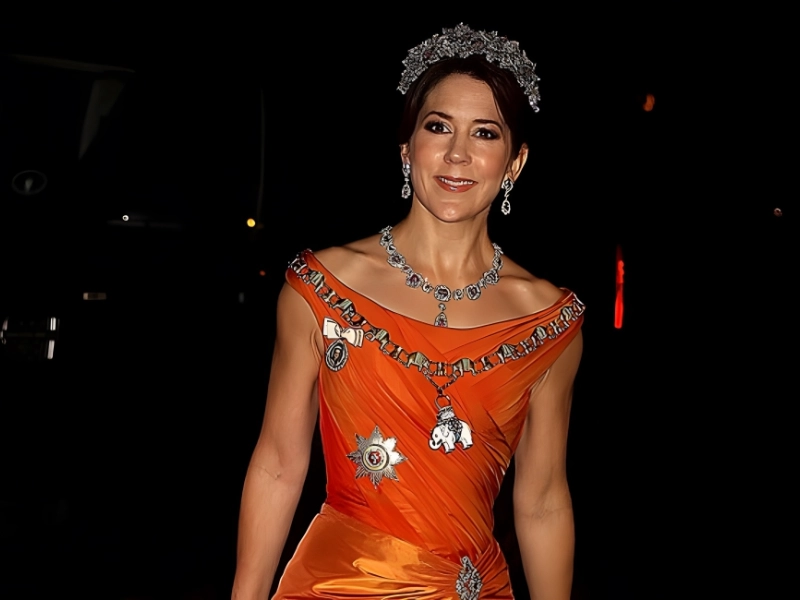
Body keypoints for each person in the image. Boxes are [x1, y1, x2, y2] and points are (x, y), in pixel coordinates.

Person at [232, 24, 585, 600]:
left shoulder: (549, 323)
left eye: (485, 133)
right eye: (438, 126)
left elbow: (543, 501)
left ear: (515, 163)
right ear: (406, 149)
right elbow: (277, 464)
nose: (457, 153)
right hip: (337, 586)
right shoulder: (320, 288)